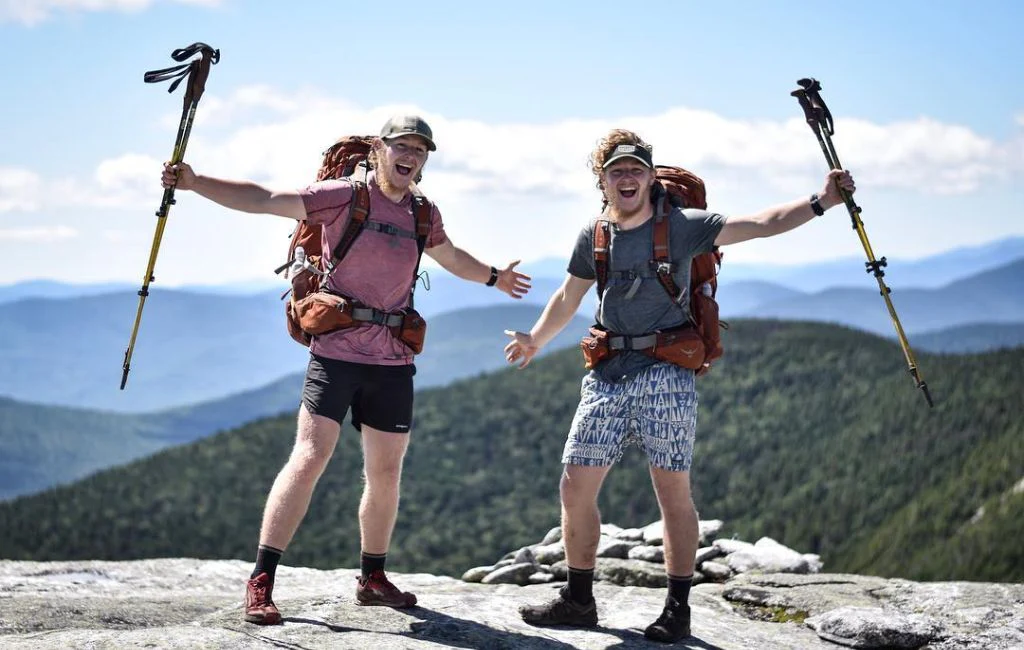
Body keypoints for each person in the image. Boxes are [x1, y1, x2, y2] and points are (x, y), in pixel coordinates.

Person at [160, 115, 532, 625]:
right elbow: (267, 200)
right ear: (379, 148)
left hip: (393, 360)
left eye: (421, 151)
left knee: (385, 472)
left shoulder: (423, 213)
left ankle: (372, 578)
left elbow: (449, 256)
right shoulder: (344, 196)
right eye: (403, 147)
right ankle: (262, 579)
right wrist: (196, 182)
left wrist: (494, 277)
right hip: (335, 353)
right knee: (310, 457)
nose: (411, 157)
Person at [505, 129, 854, 643]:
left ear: (650, 176)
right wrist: (535, 339)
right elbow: (569, 294)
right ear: (601, 181)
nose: (626, 179)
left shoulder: (684, 227)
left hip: (668, 368)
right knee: (575, 486)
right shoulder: (595, 234)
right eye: (616, 171)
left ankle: (677, 608)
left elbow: (759, 224)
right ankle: (579, 600)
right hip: (607, 371)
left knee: (671, 492)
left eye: (635, 170)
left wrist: (821, 200)